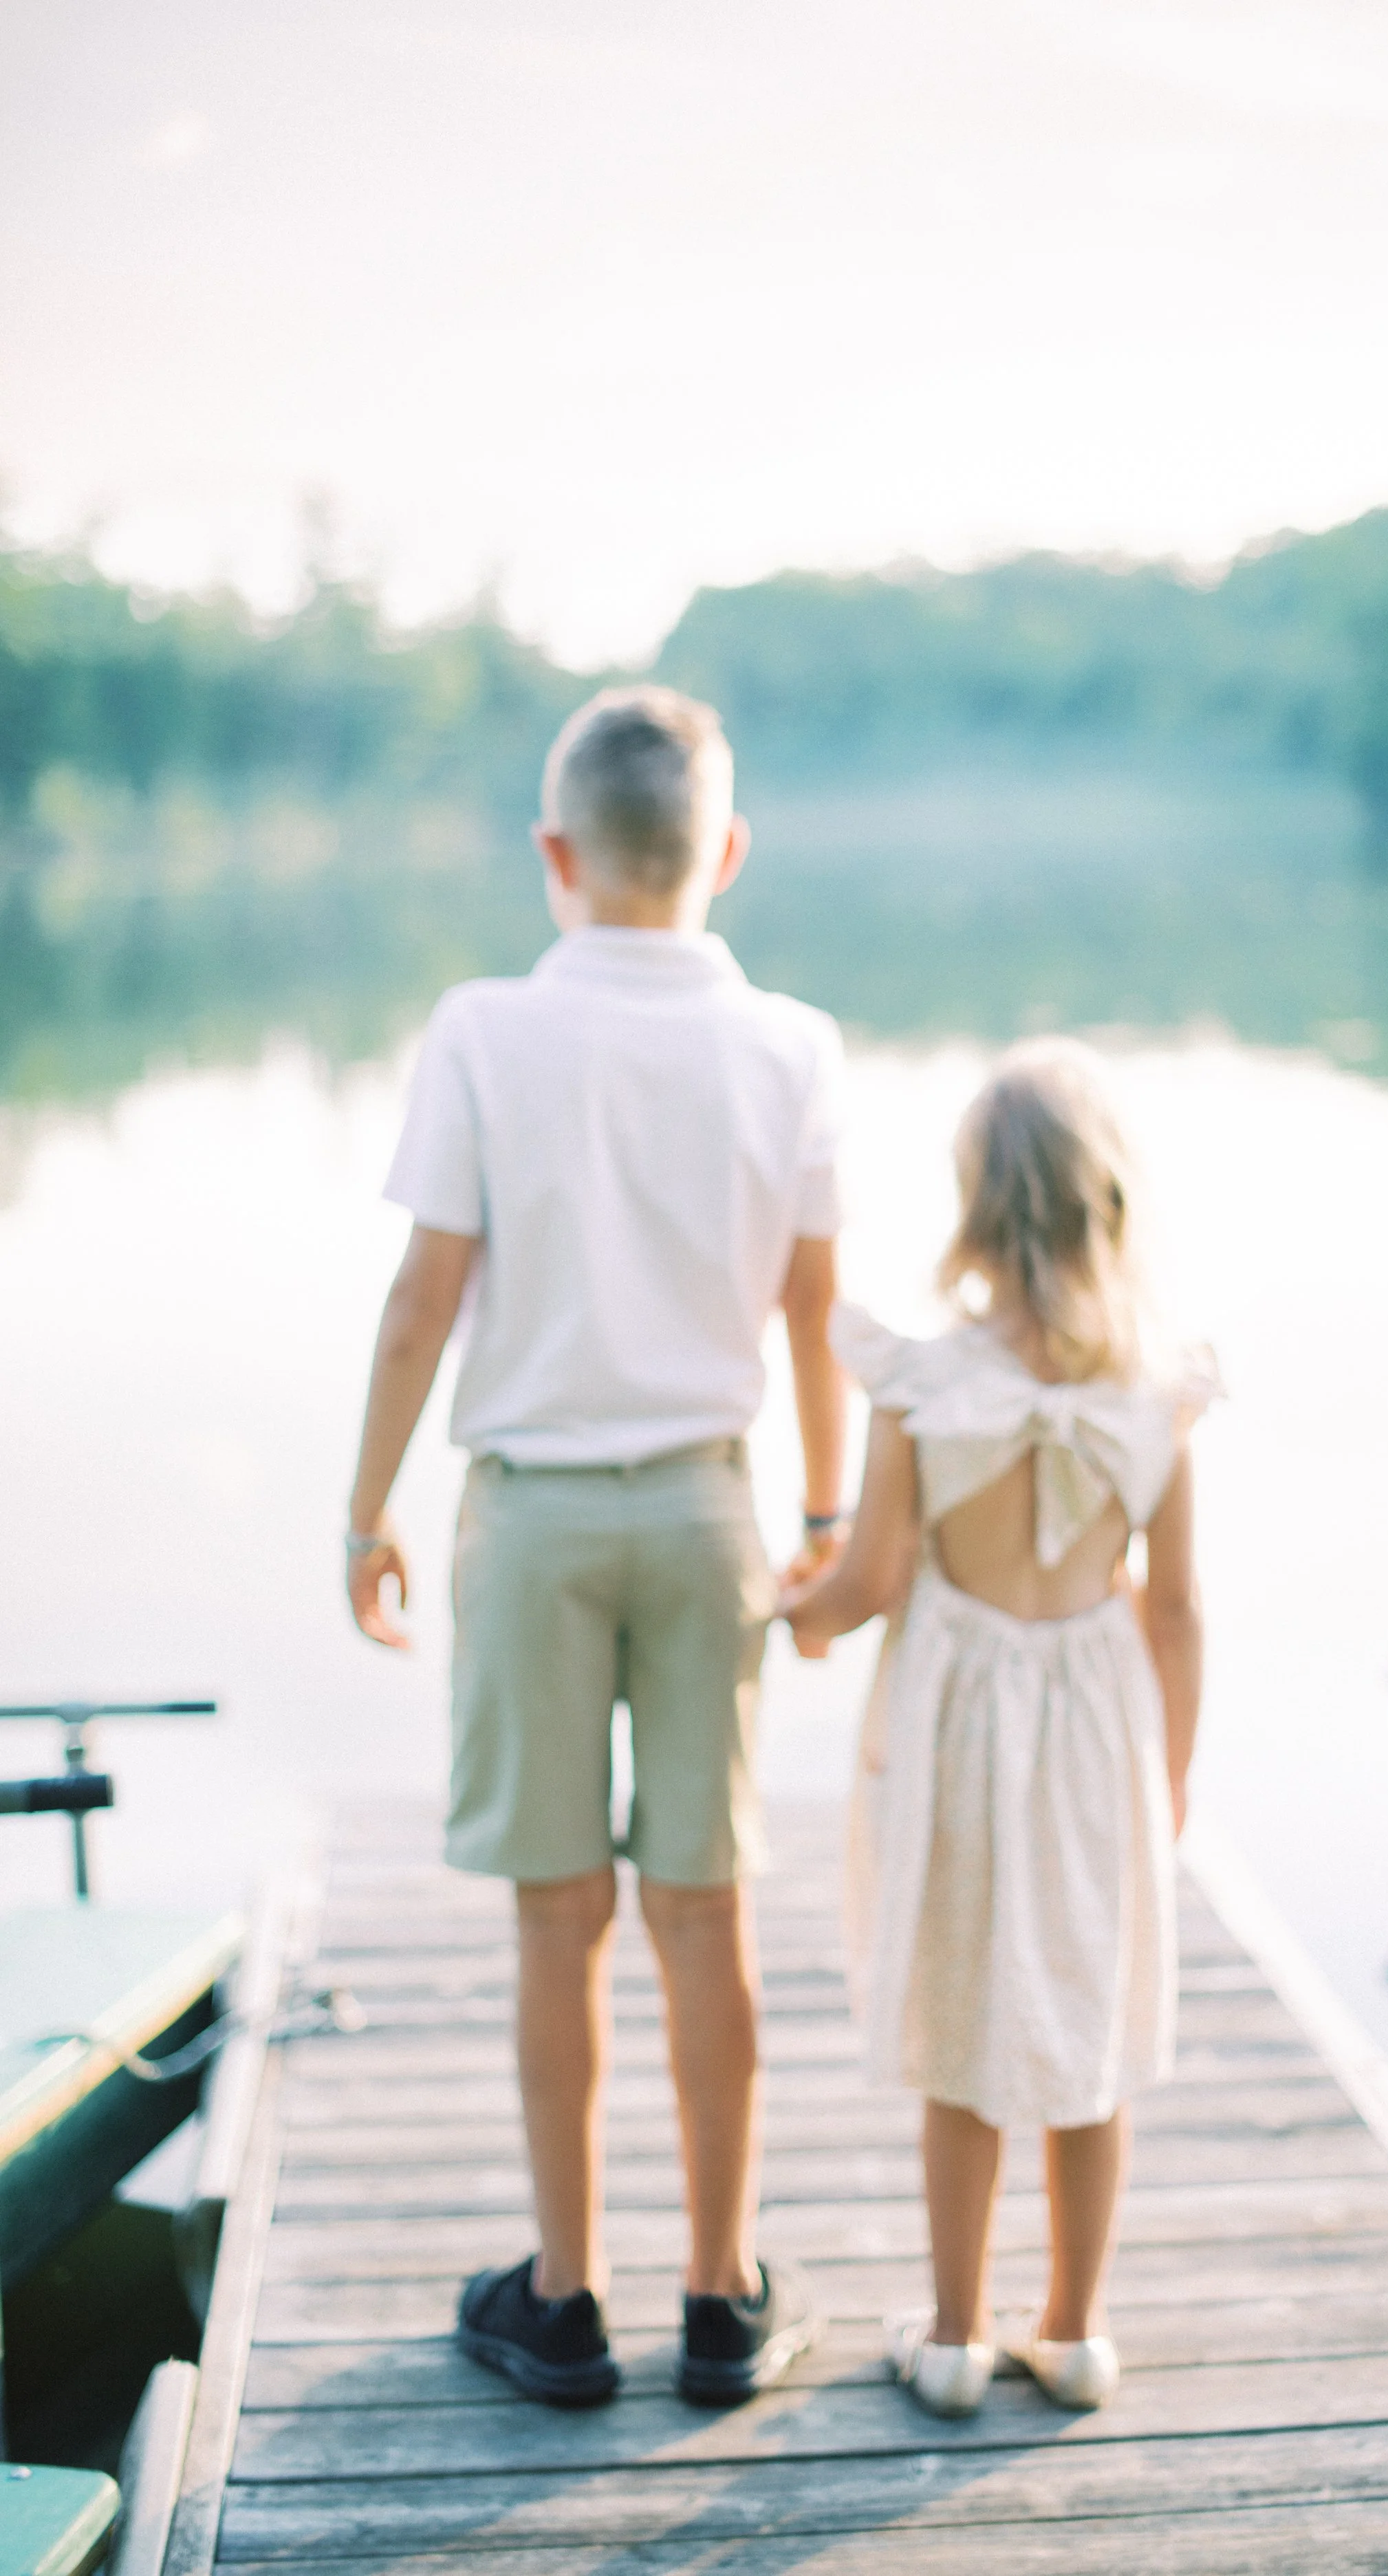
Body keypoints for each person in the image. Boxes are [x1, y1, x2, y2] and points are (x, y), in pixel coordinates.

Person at [343, 685, 846, 2408]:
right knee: (704, 1915)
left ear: (553, 855)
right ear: (728, 853)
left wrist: (364, 1511)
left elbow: (428, 1296)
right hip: (712, 1516)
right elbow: (814, 1309)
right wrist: (832, 1523)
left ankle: (563, 2299)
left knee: (554, 1919)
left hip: (535, 1517)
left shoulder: (483, 1025)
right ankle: (723, 2297)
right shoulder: (790, 1042)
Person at [781, 1040, 1213, 2418]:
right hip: (1094, 1726)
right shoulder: (1155, 1390)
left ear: (972, 1204)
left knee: (959, 2019)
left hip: (962, 1723)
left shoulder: (922, 1380)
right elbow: (1182, 1614)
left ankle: (957, 2338)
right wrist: (1176, 1778)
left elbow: (873, 1579)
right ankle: (1073, 2331)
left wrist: (794, 1615)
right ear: (1108, 1203)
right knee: (1087, 2021)